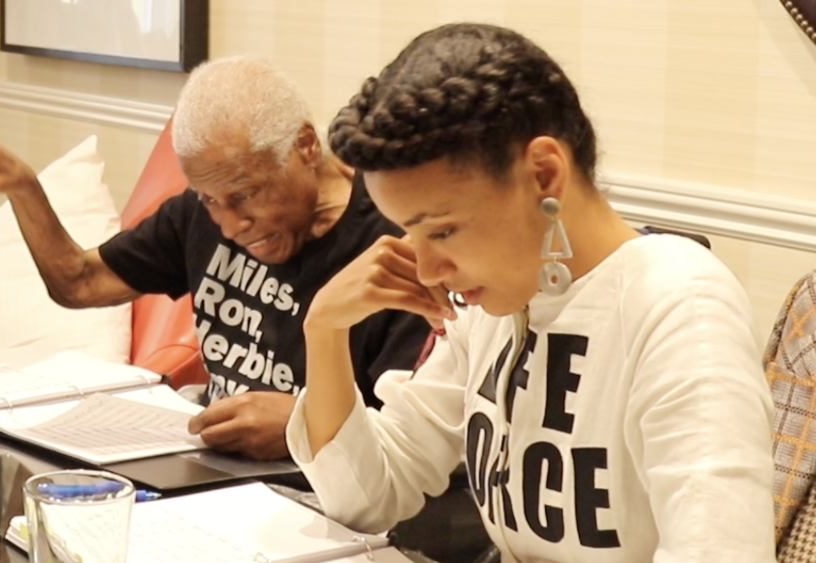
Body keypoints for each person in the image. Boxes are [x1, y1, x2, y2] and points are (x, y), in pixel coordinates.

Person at [288, 23, 777, 562]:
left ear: (544, 174)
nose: (426, 269)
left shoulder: (682, 306)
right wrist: (325, 328)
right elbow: (368, 498)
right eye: (412, 233)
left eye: (443, 231)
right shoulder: (498, 303)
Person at [0, 56, 433, 462]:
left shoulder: (394, 243)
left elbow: (415, 439)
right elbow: (79, 284)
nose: (229, 225)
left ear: (303, 145)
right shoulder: (198, 214)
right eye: (211, 200)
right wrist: (24, 189)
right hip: (214, 476)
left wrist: (304, 422)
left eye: (245, 194)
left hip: (327, 501)